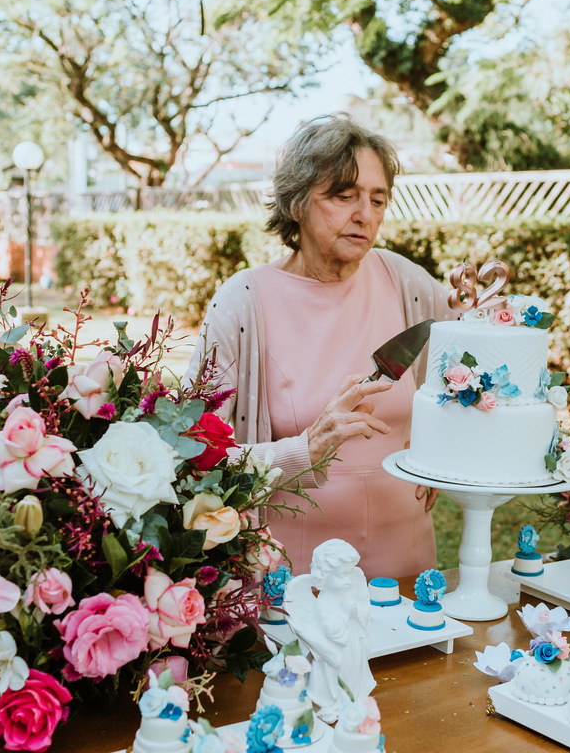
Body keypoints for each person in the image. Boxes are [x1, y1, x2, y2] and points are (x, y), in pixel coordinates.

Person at [186, 114, 454, 578]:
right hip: (293, 572)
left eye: (377, 199)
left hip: (408, 565)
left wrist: (442, 445)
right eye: (343, 196)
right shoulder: (243, 303)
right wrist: (305, 450)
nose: (364, 214)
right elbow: (191, 452)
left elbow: (476, 367)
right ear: (297, 202)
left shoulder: (403, 280)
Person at [282, 539, 375, 722]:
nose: (348, 581)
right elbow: (332, 632)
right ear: (323, 576)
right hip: (331, 653)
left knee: (352, 670)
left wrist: (357, 613)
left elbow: (362, 619)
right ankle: (332, 704)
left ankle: (353, 697)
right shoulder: (324, 603)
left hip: (352, 646)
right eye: (341, 576)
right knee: (336, 673)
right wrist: (347, 613)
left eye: (349, 574)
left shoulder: (345, 595)